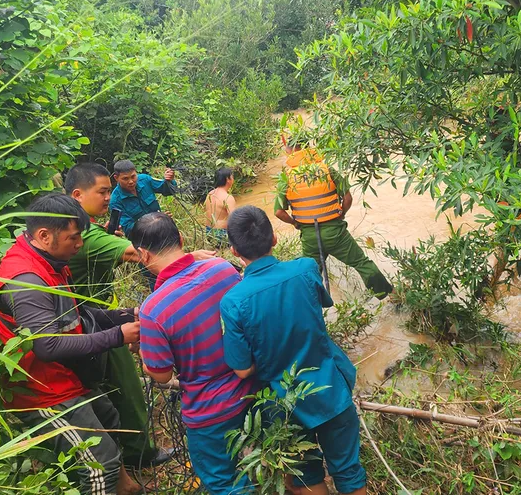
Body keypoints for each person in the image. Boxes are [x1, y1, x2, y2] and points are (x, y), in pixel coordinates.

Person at [0, 193, 142, 495]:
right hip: (43, 391)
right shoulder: (26, 282)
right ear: (44, 235)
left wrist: (123, 316)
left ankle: (127, 488)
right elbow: (47, 347)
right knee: (100, 462)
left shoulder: (50, 262)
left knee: (110, 417)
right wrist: (117, 335)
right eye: (73, 238)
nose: (80, 244)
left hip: (67, 374)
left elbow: (73, 314)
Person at [220, 206, 367, 495]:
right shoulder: (305, 268)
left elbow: (241, 369)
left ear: (234, 251)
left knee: (305, 477)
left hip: (284, 404)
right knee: (348, 471)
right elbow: (320, 306)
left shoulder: (233, 301)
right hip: (330, 388)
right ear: (274, 238)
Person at [64, 162, 183, 468]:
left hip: (87, 317)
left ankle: (118, 449)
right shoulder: (87, 234)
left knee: (104, 389)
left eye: (108, 191)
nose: (108, 198)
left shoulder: (76, 225)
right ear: (78, 195)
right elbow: (136, 254)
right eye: (102, 192)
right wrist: (189, 259)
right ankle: (139, 452)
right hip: (96, 320)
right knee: (128, 387)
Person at [132, 213, 255, 495]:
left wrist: (142, 350)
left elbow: (161, 374)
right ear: (182, 240)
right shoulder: (223, 268)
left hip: (210, 411)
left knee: (225, 482)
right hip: (254, 387)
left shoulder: (154, 309)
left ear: (143, 254)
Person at [274, 142, 392, 298]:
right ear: (308, 149)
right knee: (361, 263)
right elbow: (347, 197)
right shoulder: (327, 170)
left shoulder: (286, 178)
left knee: (310, 275)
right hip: (336, 233)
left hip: (310, 237)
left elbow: (278, 212)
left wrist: (295, 223)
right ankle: (393, 296)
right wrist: (341, 214)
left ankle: (311, 310)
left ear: (291, 151)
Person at [110, 159, 176, 236]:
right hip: (142, 239)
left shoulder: (145, 180)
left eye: (133, 176)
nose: (131, 181)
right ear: (116, 178)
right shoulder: (115, 201)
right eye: (125, 178)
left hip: (163, 230)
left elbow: (168, 190)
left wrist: (169, 180)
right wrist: (157, 222)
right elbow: (129, 229)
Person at [204, 167, 235, 248]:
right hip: (222, 235)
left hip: (208, 233)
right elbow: (235, 221)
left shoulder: (210, 194)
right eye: (232, 176)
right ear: (228, 179)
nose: (233, 178)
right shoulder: (228, 197)